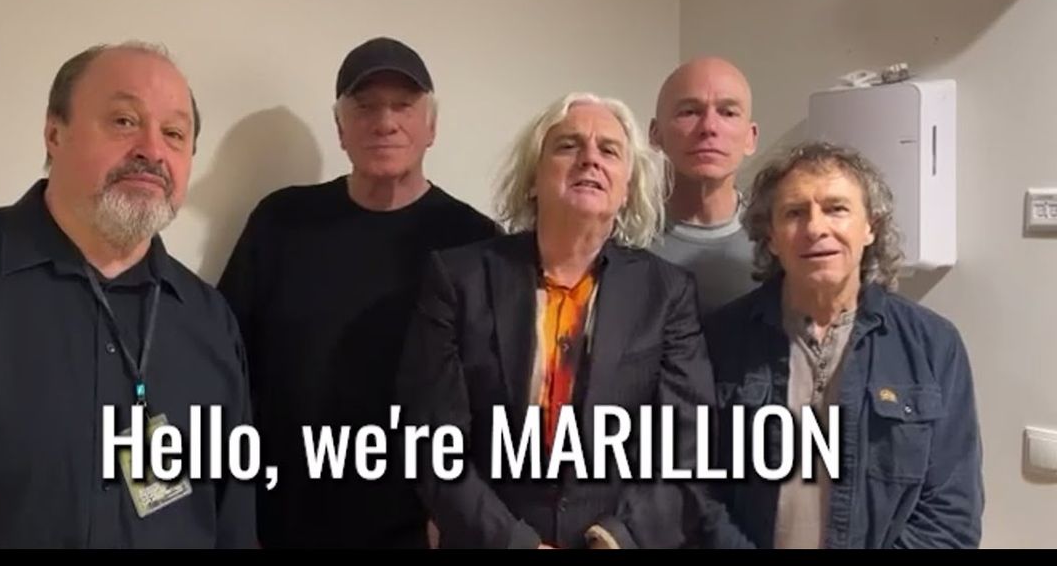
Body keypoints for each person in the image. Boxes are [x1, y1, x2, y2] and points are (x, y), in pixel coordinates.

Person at [0, 41, 257, 548]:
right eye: (124, 121)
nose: (152, 151)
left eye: (174, 134)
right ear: (54, 133)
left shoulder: (210, 321)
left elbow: (231, 524)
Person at [395, 91, 718, 549]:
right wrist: (514, 543)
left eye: (609, 150)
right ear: (533, 178)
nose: (590, 159)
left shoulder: (666, 293)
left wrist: (616, 538)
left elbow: (689, 446)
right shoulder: (458, 279)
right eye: (568, 145)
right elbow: (429, 441)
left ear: (627, 189)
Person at [216, 36, 500, 548]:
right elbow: (226, 362)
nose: (384, 122)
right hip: (283, 520)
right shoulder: (281, 221)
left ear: (431, 126)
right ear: (340, 128)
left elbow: (492, 393)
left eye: (403, 106)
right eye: (365, 107)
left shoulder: (474, 239)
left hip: (417, 528)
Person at [702, 140, 984, 548]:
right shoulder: (722, 338)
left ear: (870, 227)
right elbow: (696, 490)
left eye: (836, 209)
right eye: (795, 213)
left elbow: (951, 514)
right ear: (771, 237)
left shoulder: (933, 346)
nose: (816, 228)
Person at [648, 57, 760, 314]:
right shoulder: (622, 236)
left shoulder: (777, 241)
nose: (709, 127)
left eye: (728, 113)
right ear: (655, 133)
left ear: (750, 137)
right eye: (689, 112)